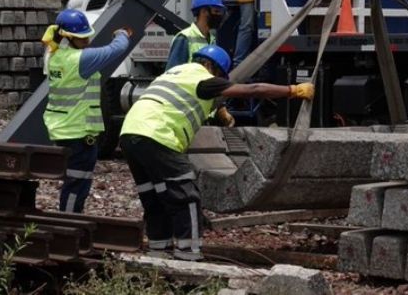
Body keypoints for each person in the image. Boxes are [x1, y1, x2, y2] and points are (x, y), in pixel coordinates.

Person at [119, 45, 314, 260]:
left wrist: (219, 111)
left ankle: (158, 250)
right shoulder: (203, 78)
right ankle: (188, 254)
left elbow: (182, 101)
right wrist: (292, 91)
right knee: (187, 196)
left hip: (130, 133)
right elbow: (253, 89)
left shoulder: (175, 74)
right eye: (221, 75)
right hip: (158, 134)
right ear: (210, 66)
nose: (221, 80)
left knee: (155, 195)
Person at [43, 9, 132, 213]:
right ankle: (69, 225)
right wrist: (122, 34)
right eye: (82, 37)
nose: (87, 40)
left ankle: (70, 221)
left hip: (63, 130)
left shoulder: (55, 55)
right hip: (79, 133)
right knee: (77, 184)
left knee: (72, 181)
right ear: (68, 37)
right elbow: (115, 49)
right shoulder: (81, 60)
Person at [165, 0, 226, 71]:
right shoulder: (184, 38)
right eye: (216, 11)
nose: (219, 15)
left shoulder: (212, 39)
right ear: (204, 11)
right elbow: (172, 73)